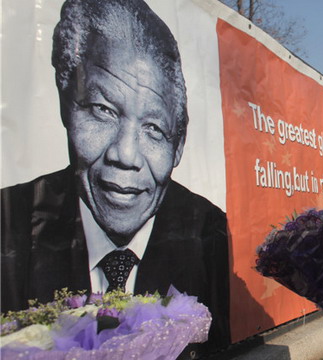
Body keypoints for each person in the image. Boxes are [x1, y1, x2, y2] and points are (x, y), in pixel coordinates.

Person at [1, 0, 230, 356]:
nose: (125, 155)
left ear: (179, 144)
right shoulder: (8, 223)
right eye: (103, 110)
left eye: (154, 128)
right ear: (66, 105)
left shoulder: (208, 228)